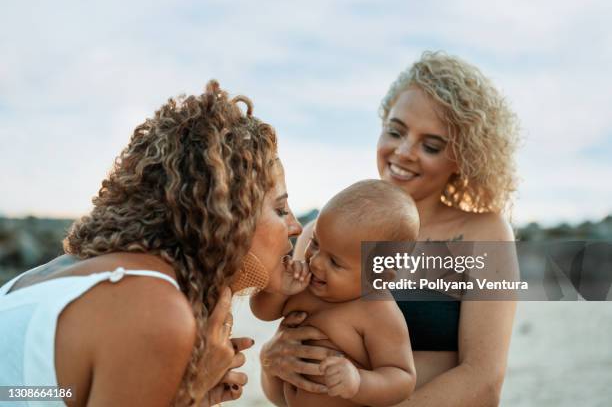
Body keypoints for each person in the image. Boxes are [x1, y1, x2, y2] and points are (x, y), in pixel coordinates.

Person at [0, 81, 303, 406]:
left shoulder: (57, 275)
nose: (296, 227)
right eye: (281, 209)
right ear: (229, 215)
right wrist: (192, 388)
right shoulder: (156, 313)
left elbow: (34, 394)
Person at [259, 51, 520, 406]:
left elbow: (484, 381)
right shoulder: (327, 228)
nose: (404, 152)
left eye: (431, 145)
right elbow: (289, 356)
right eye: (395, 132)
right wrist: (271, 360)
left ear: (462, 157)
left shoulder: (485, 233)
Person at [251, 180, 419, 407]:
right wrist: (280, 290)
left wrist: (359, 383)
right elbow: (262, 311)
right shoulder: (306, 281)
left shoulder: (378, 312)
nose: (316, 262)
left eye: (335, 262)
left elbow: (402, 378)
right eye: (316, 243)